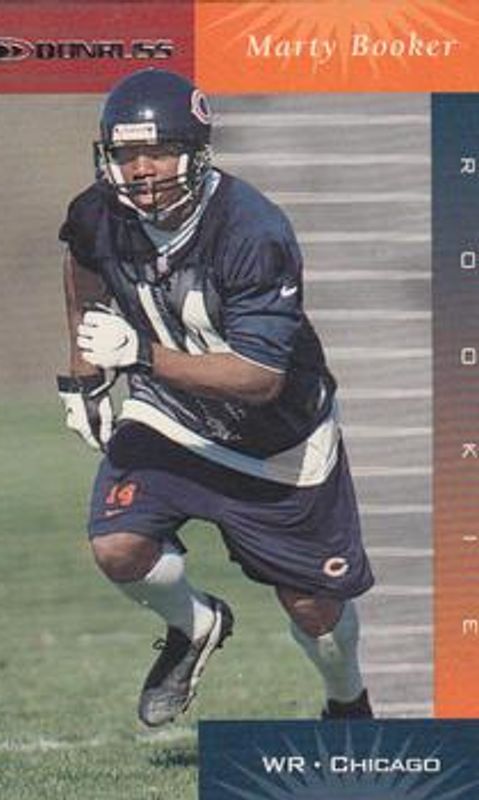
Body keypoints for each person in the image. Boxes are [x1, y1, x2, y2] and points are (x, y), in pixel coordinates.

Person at [57, 68, 374, 727]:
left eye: (159, 152)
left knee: (313, 608)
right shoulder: (99, 212)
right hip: (171, 413)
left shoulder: (251, 230)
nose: (141, 170)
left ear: (197, 155)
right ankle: (194, 625)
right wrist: (85, 374)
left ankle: (348, 704)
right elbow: (83, 260)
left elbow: (261, 378)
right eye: (125, 154)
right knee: (117, 546)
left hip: (277, 440)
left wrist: (140, 354)